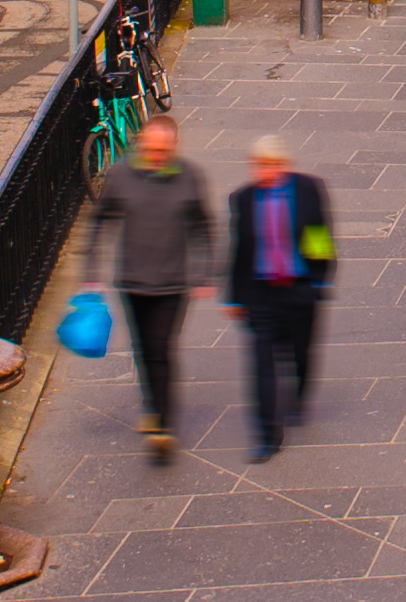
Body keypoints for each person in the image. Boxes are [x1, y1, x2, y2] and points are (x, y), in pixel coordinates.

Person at [87, 112, 212, 461]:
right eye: (151, 148)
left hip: (173, 283)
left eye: (163, 150)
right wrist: (91, 269)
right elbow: (101, 221)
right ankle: (152, 405)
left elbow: (203, 226)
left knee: (160, 349)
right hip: (132, 281)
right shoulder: (121, 176)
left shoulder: (189, 177)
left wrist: (204, 274)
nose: (156, 156)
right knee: (142, 349)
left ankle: (162, 424)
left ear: (173, 147)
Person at [223, 137, 339, 463]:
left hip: (299, 288)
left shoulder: (307, 190)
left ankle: (299, 395)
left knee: (300, 354)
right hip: (261, 294)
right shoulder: (242, 199)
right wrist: (233, 297)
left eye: (272, 165)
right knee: (262, 365)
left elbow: (319, 234)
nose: (266, 172)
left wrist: (318, 280)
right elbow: (238, 249)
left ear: (284, 165)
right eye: (260, 165)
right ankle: (267, 435)